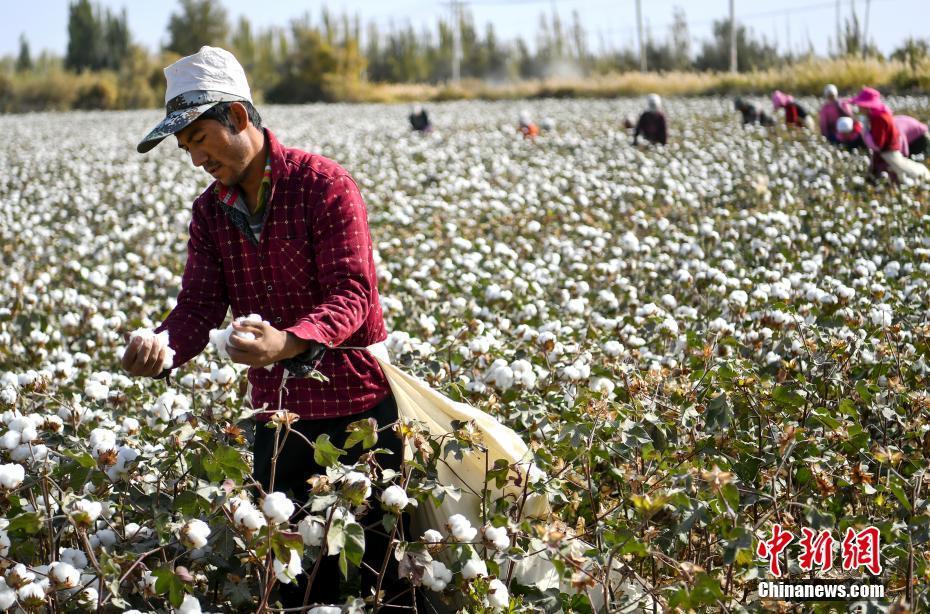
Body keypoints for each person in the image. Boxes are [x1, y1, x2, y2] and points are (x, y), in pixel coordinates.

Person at [122, 46, 411, 609]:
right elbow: (199, 309)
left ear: (235, 115)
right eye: (185, 148)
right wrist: (161, 347)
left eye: (199, 139)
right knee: (296, 585)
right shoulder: (210, 213)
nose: (195, 159)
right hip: (280, 426)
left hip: (362, 417)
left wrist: (288, 341)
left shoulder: (324, 186)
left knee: (387, 581)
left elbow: (353, 295)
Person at [848, 87, 929, 182]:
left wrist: (864, 131)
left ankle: (925, 176)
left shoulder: (878, 119)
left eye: (860, 105)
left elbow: (877, 144)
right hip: (888, 150)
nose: (858, 108)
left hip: (890, 151)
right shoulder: (879, 115)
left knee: (904, 169)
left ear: (867, 106)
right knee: (897, 171)